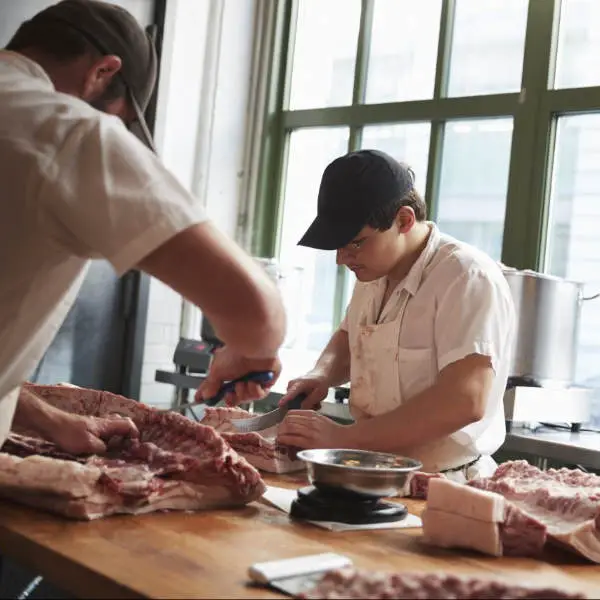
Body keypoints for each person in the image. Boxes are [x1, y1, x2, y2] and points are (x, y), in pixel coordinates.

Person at [0, 0, 286, 454]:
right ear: (103, 71)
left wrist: (55, 423)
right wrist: (245, 352)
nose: (115, 127)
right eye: (122, 118)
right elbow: (258, 315)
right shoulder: (70, 132)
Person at [276, 149, 516, 482]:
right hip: (372, 470)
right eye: (338, 246)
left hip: (443, 481)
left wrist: (344, 439)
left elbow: (465, 400)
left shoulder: (464, 276)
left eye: (355, 243)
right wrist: (322, 374)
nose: (342, 259)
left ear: (403, 220)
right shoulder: (374, 270)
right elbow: (351, 336)